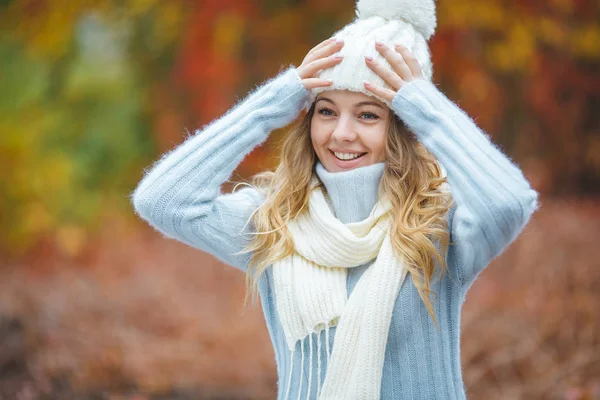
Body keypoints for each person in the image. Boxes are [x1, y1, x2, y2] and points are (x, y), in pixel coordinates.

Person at [131, 0, 540, 398]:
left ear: (404, 127)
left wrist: (425, 107)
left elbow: (508, 203)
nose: (341, 133)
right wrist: (271, 105)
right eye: (326, 111)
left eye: (367, 115)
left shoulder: (438, 225)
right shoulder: (276, 221)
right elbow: (162, 200)